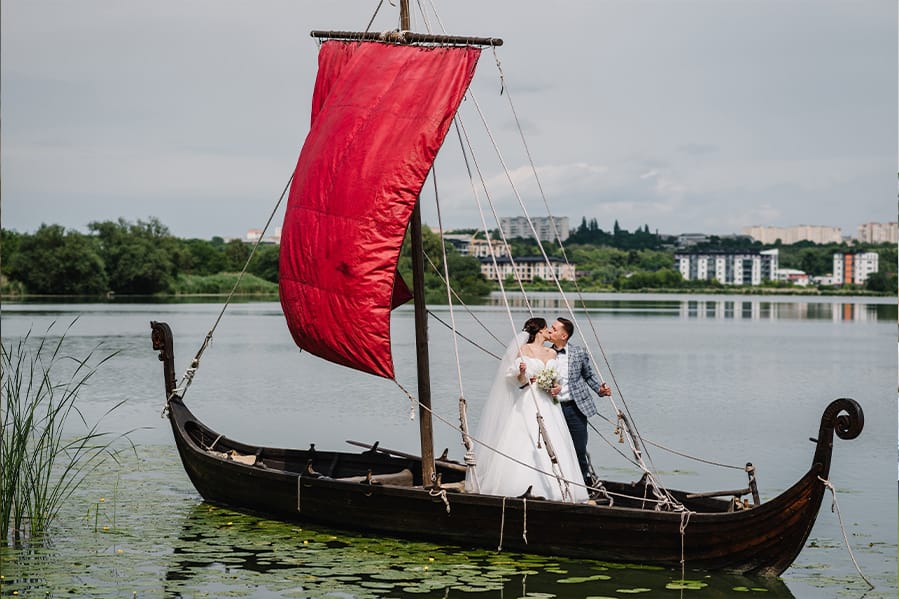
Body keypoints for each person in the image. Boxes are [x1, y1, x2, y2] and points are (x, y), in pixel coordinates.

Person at [465, 317, 588, 502]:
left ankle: (557, 488)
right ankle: (517, 484)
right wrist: (522, 373)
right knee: (524, 439)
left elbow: (557, 383)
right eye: (548, 328)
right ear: (539, 331)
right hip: (529, 399)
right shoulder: (524, 350)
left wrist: (555, 388)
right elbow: (518, 382)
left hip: (549, 403)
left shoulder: (551, 353)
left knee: (556, 441)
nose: (549, 331)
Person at [547, 317, 612, 488]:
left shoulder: (579, 353)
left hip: (576, 408)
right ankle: (556, 484)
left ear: (564, 335)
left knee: (579, 449)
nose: (549, 331)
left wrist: (600, 390)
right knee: (553, 448)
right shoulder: (545, 354)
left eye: (554, 329)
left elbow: (588, 375)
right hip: (552, 408)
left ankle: (583, 485)